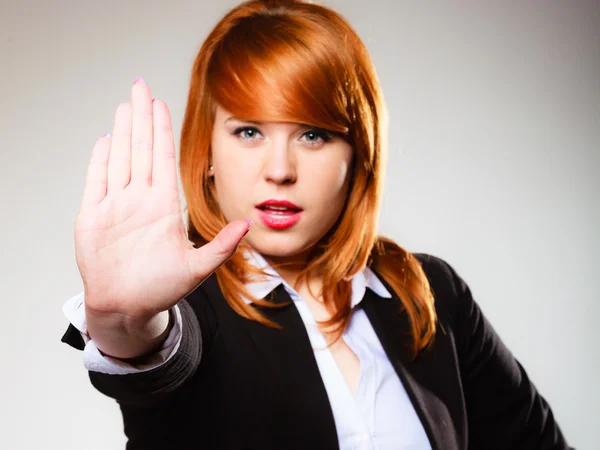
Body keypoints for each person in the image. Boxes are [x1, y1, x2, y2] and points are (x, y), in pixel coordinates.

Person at [61, 1, 572, 449]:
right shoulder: (179, 303)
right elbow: (159, 355)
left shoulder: (433, 293)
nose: (280, 169)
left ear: (358, 152)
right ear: (208, 152)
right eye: (248, 131)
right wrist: (124, 324)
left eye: (312, 135)